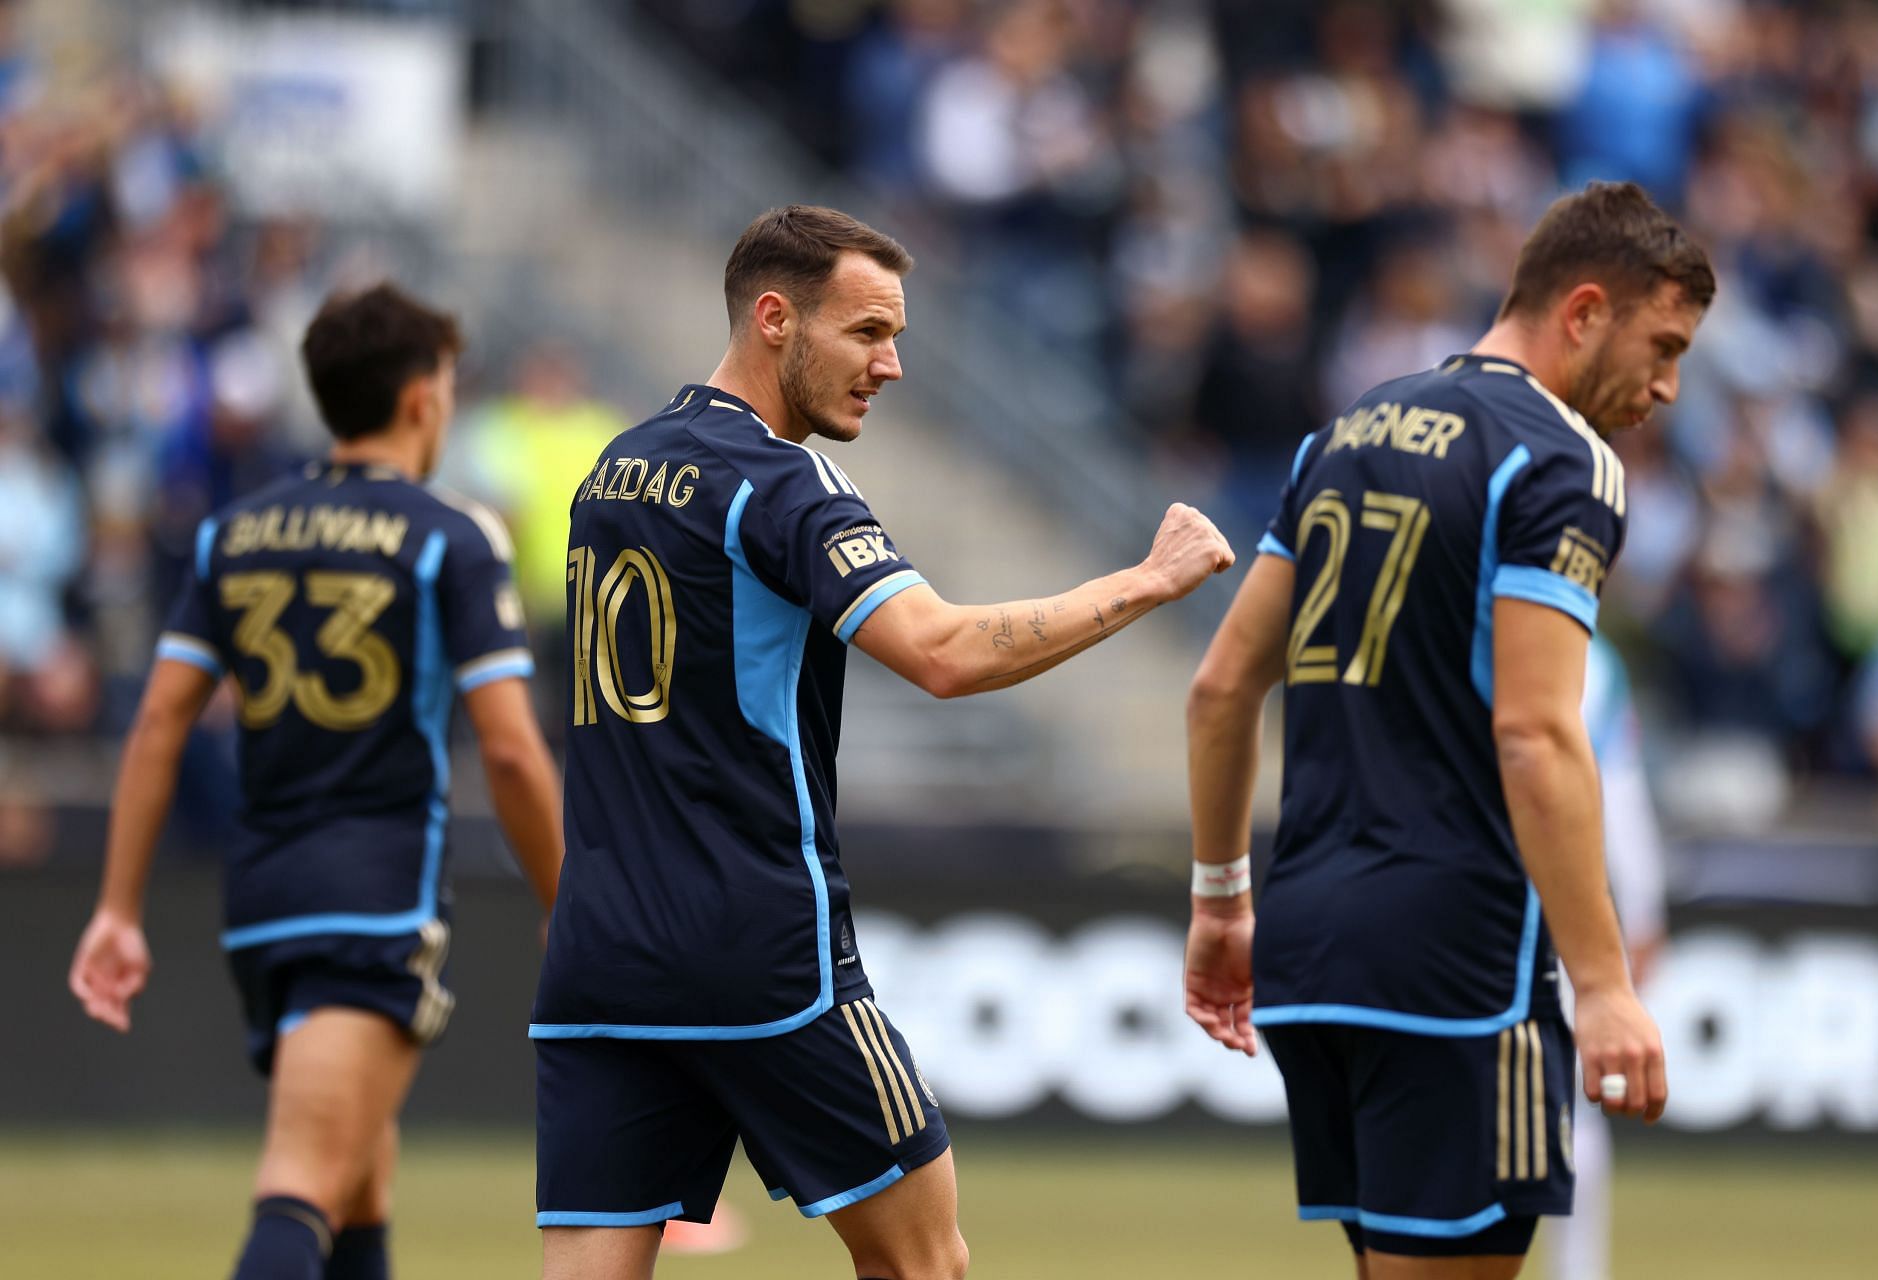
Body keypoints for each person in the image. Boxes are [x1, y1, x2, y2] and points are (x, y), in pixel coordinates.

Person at [530, 203, 1233, 1280]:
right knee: (924, 1262)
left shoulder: (613, 469)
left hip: (601, 953)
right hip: (760, 951)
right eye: (865, 332)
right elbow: (942, 652)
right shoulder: (780, 483)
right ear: (775, 318)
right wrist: (1142, 582)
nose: (891, 364)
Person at [1182, 180, 1713, 1280]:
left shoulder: (1341, 434)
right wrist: (1606, 982)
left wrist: (1223, 898)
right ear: (1582, 311)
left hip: (1312, 946)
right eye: (1662, 345)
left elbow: (1223, 686)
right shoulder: (1558, 458)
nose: (1666, 385)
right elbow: (1536, 731)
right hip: (1457, 961)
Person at [68, 283, 566, 1280]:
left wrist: (118, 905)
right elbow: (510, 749)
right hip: (374, 895)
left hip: (261, 900)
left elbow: (161, 719)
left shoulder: (231, 532)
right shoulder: (452, 538)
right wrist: (571, 898)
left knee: (357, 1184)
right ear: (424, 398)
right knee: (300, 1185)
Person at [1546, 634, 1668, 1280]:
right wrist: (1643, 911)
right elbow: (1619, 798)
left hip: (1465, 900)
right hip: (1562, 901)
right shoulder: (1592, 655)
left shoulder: (1456, 616)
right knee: (1571, 1112)